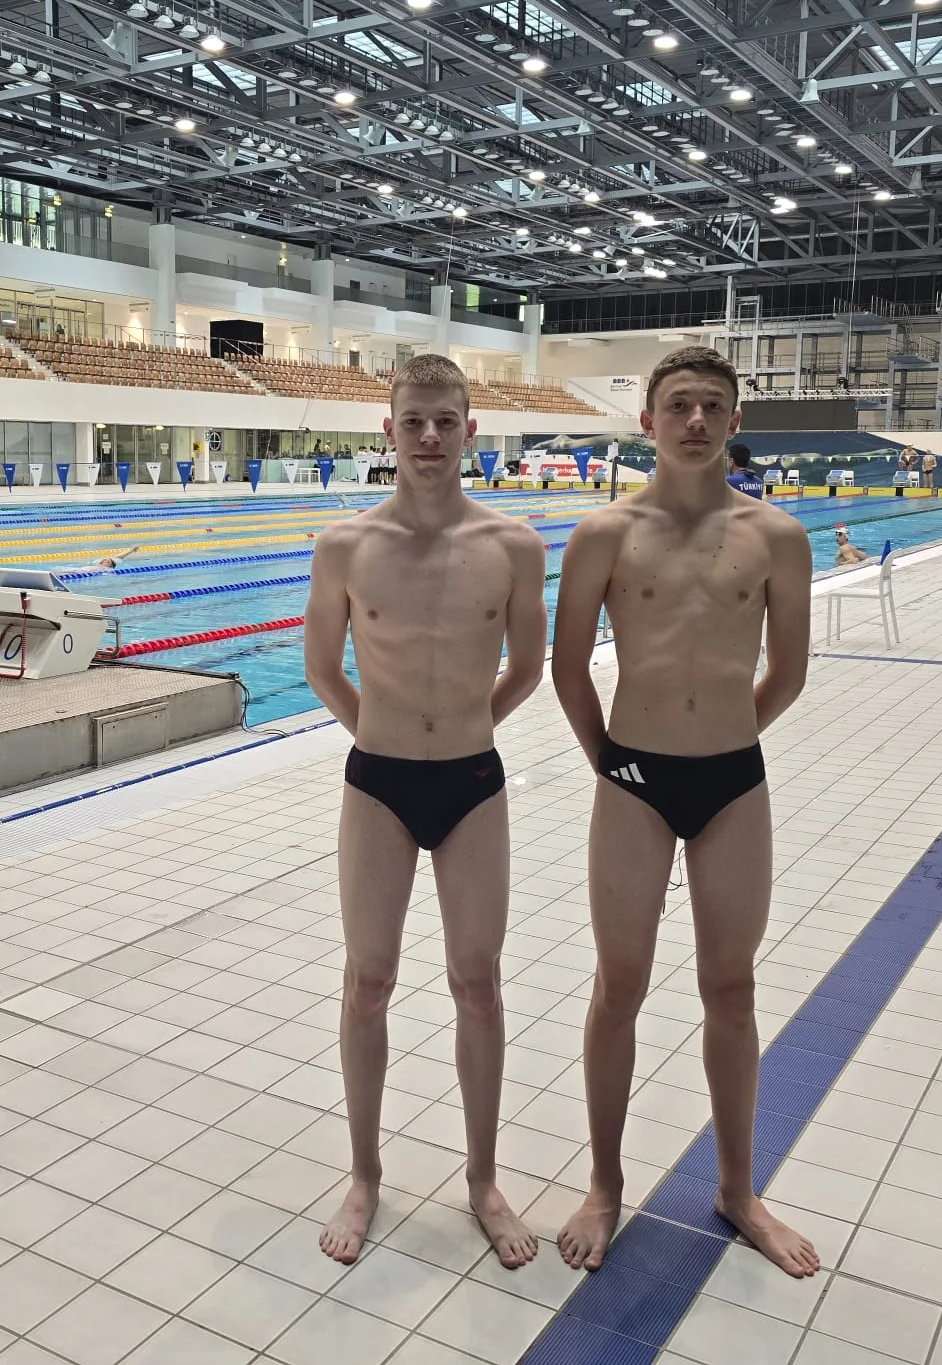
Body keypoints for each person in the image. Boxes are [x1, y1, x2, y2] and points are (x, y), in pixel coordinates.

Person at [550, 345, 817, 1278]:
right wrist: (612, 764)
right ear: (647, 422)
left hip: (733, 783)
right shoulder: (604, 533)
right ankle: (604, 1185)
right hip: (633, 783)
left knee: (731, 988)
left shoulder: (777, 535)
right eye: (679, 406)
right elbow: (568, 668)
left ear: (734, 421)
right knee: (618, 985)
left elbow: (788, 671)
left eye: (711, 406)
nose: (695, 421)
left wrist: (730, 738)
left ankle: (738, 1190)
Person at [302, 353, 548, 1269]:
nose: (431, 436)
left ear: (471, 430)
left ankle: (483, 1180)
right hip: (378, 784)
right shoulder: (346, 545)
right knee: (367, 981)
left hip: (474, 784)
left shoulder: (513, 545)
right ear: (389, 430)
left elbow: (528, 667)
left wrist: (467, 729)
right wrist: (381, 734)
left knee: (477, 985)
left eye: (447, 420)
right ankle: (364, 1175)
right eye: (415, 421)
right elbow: (321, 668)